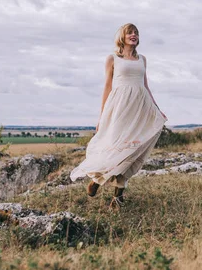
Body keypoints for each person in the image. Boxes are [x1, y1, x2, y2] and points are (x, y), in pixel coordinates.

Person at [70, 23, 167, 208]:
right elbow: (107, 87)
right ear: (122, 36)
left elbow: (145, 86)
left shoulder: (142, 59)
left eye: (136, 33)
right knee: (114, 147)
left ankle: (118, 196)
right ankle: (97, 180)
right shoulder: (113, 58)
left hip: (139, 109)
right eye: (130, 32)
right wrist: (102, 116)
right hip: (119, 108)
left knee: (131, 149)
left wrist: (156, 108)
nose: (134, 35)